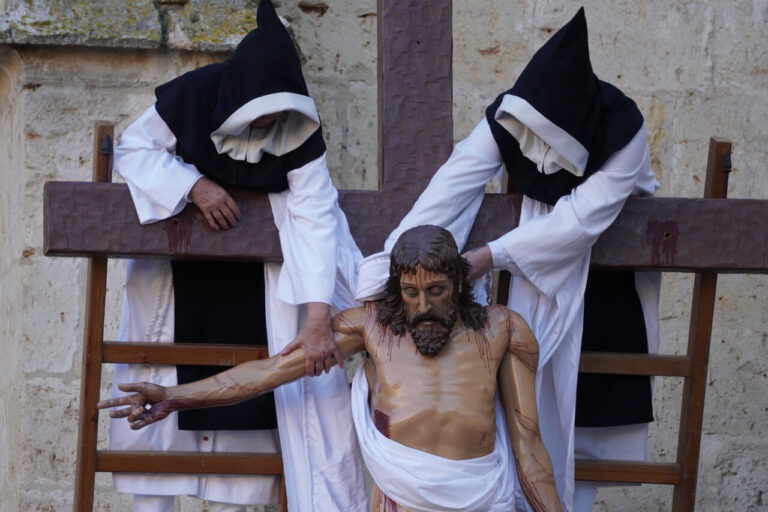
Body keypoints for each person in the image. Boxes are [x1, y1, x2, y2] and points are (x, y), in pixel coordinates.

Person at [355, 8, 661, 512]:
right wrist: (397, 265)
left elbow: (579, 221)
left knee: (583, 417)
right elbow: (453, 185)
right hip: (526, 277)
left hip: (600, 280)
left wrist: (487, 257)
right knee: (520, 407)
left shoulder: (622, 129)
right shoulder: (508, 116)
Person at [99, 225, 564, 512]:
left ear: (461, 283)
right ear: (395, 287)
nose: (423, 306)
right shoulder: (370, 328)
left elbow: (528, 442)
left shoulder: (503, 329)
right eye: (410, 291)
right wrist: (176, 397)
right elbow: (266, 373)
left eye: (438, 291)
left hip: (483, 501)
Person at [109, 1, 366, 511]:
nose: (269, 121)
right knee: (160, 399)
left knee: (252, 421)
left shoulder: (297, 127)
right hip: (178, 278)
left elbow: (317, 213)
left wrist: (318, 319)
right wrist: (195, 185)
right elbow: (133, 148)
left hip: (257, 287)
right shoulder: (195, 94)